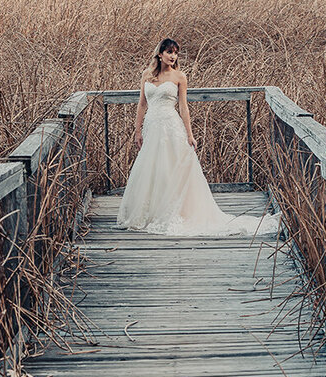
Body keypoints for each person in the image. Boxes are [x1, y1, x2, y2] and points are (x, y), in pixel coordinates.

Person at [115, 38, 277, 236]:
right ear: (160, 54)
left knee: (172, 166)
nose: (173, 56)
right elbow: (141, 104)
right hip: (152, 126)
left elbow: (183, 107)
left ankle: (173, 212)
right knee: (152, 167)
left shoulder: (179, 77)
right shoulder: (147, 76)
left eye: (175, 53)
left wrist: (190, 135)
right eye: (169, 52)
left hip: (170, 125)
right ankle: (149, 212)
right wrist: (137, 130)